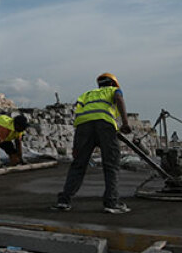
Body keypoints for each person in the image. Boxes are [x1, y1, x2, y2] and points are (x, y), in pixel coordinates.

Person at [54, 72, 132, 214]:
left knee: (78, 164)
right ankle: (112, 202)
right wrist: (125, 123)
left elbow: (77, 110)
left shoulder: (87, 94)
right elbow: (119, 99)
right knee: (111, 164)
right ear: (113, 83)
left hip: (83, 127)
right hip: (105, 125)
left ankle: (64, 201)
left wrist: (77, 145)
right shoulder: (113, 90)